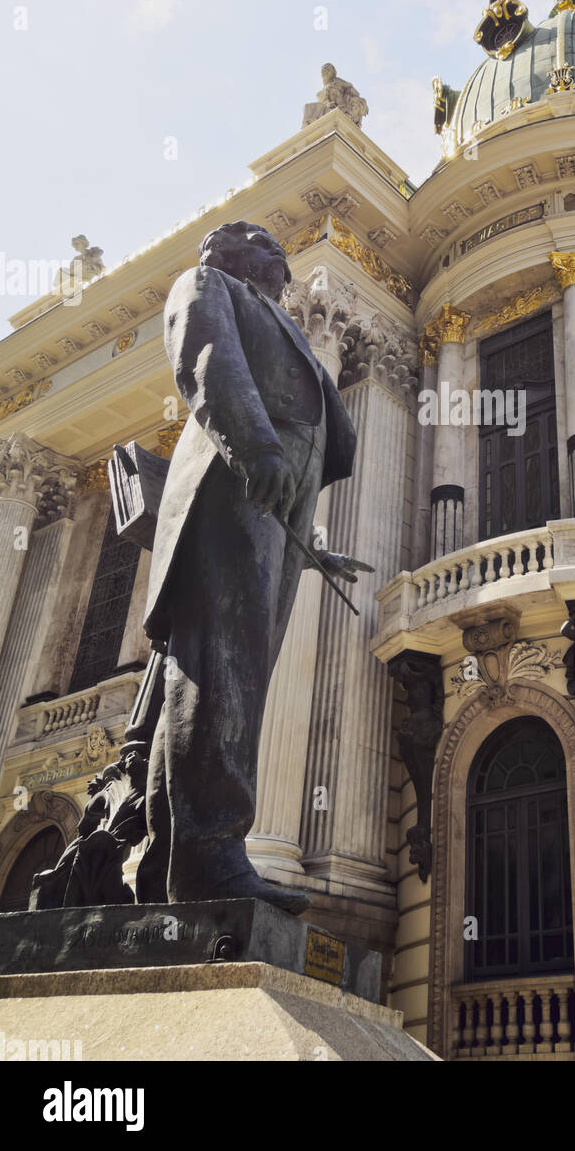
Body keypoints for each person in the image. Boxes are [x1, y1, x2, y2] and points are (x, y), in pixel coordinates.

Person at [139, 220, 363, 912]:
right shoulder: (208, 285)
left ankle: (168, 863)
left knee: (231, 685)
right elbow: (209, 362)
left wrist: (312, 540)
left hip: (279, 501)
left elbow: (312, 422)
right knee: (224, 672)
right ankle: (214, 858)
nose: (281, 253)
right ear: (230, 253)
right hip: (235, 479)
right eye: (266, 242)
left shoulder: (284, 320)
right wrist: (255, 448)